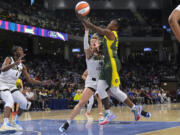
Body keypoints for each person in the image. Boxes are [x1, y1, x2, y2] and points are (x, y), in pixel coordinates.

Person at [76, 14, 151, 125]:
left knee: (111, 90)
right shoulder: (108, 35)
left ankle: (115, 111)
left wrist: (85, 22)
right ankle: (131, 109)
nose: (108, 24)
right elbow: (101, 47)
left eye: (111, 23)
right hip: (107, 64)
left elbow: (98, 30)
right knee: (104, 89)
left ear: (115, 27)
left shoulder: (111, 33)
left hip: (112, 63)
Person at [59, 23, 104, 132]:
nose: (93, 43)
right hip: (90, 82)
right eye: (91, 42)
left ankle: (102, 116)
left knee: (102, 98)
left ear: (98, 43)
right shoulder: (88, 54)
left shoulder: (103, 55)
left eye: (95, 42)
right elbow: (85, 45)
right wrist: (86, 31)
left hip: (101, 82)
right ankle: (67, 122)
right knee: (81, 103)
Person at [0, 46, 52, 132]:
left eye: (22, 50)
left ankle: (15, 121)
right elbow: (3, 69)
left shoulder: (22, 66)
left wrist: (42, 82)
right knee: (9, 101)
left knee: (24, 103)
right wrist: (14, 63)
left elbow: (29, 79)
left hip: (12, 86)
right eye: (20, 50)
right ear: (15, 52)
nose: (22, 51)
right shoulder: (9, 59)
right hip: (2, 84)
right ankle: (5, 124)